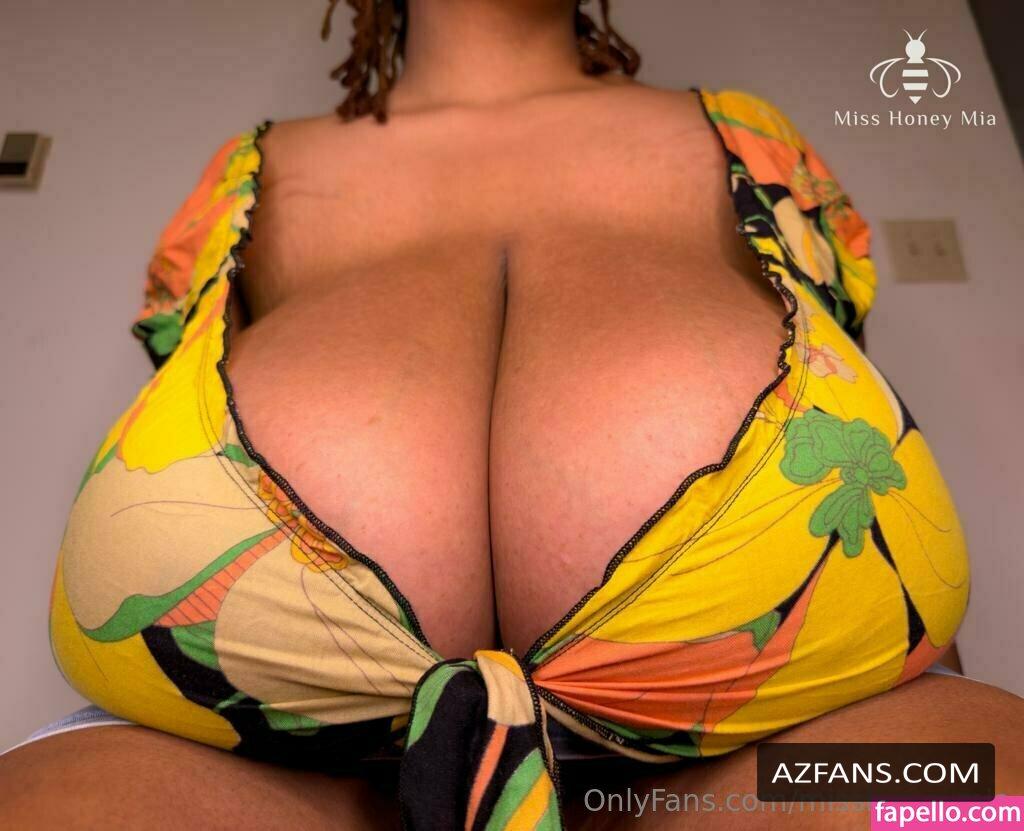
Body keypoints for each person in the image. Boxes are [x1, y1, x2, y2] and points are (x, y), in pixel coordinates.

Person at [2, 1, 1021, 829]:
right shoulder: (246, 180)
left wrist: (923, 664)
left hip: (768, 772)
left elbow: (882, 486)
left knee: (983, 804)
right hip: (272, 784)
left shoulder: (749, 142)